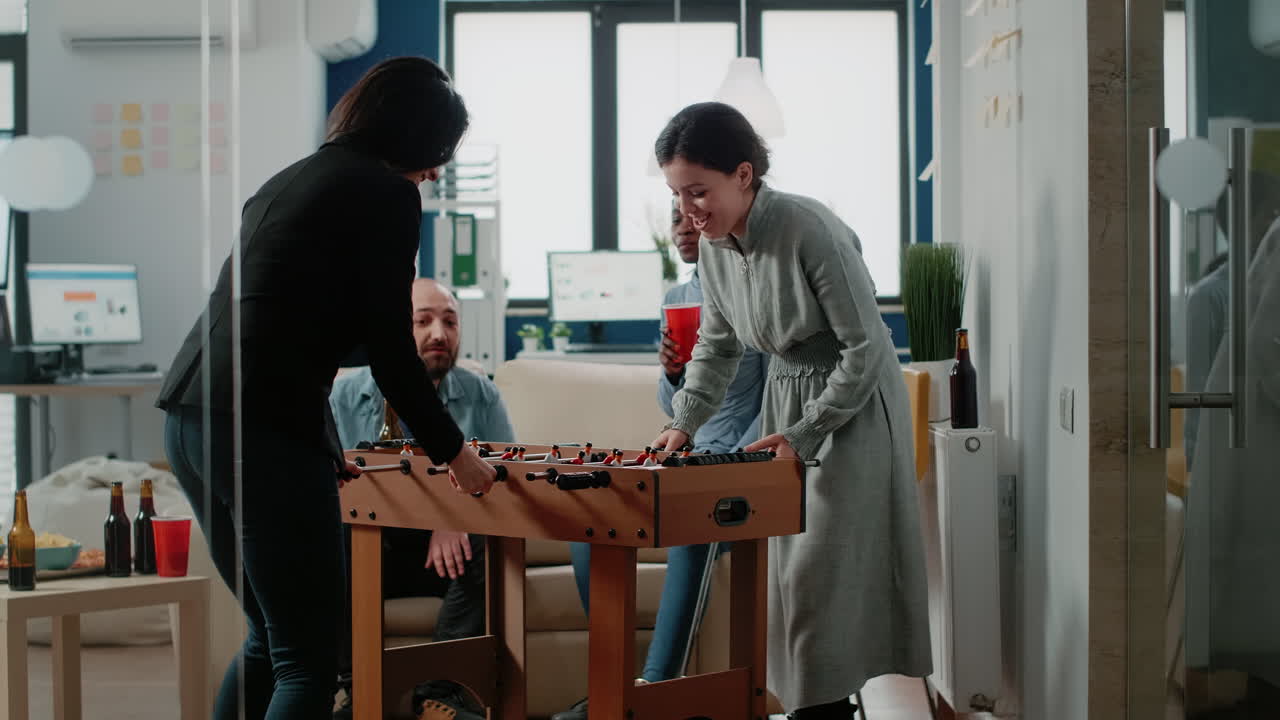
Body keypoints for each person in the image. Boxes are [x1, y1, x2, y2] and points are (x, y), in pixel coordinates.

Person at [155, 57, 497, 720]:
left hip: (191, 418)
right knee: (309, 664)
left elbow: (286, 329)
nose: (434, 173)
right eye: (438, 153)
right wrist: (457, 455)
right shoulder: (388, 194)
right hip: (263, 431)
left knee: (270, 640)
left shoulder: (291, 180)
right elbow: (392, 352)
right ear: (416, 137)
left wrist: (325, 439)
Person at [650, 102, 932, 720]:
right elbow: (717, 347)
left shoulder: (810, 229)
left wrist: (806, 432)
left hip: (850, 406)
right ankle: (823, 709)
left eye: (698, 191)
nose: (688, 211)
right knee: (790, 591)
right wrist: (683, 423)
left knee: (819, 583)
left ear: (743, 174)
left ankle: (826, 711)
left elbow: (865, 347)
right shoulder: (715, 247)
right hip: (787, 401)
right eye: (677, 195)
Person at [551, 204, 768, 720]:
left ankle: (653, 690)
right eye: (675, 219)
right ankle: (615, 690)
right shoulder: (677, 298)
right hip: (684, 457)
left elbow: (773, 399)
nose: (683, 228)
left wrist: (742, 463)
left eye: (693, 215)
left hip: (738, 464)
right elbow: (673, 408)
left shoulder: (755, 291)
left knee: (694, 527)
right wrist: (672, 374)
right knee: (590, 522)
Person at [330, 278, 515, 719]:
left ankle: (438, 696)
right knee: (332, 541)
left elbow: (507, 482)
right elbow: (326, 485)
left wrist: (453, 517)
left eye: (450, 322)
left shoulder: (481, 394)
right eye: (423, 321)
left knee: (488, 545)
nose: (439, 334)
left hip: (446, 561)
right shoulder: (343, 396)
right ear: (396, 329)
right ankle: (359, 695)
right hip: (371, 551)